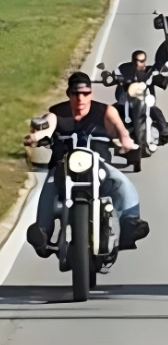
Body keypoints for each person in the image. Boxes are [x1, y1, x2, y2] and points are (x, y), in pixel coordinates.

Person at [23, 72, 150, 258]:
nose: (80, 98)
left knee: (121, 182)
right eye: (76, 93)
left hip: (99, 165)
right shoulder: (57, 113)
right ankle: (42, 233)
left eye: (85, 93)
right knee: (48, 188)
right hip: (63, 168)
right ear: (69, 94)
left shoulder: (105, 111)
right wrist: (36, 136)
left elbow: (120, 130)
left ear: (91, 93)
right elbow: (47, 127)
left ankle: (130, 222)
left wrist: (126, 142)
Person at [112, 50, 168, 145]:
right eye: (138, 60)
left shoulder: (150, 71)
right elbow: (116, 74)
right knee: (111, 111)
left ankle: (165, 134)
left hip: (145, 101)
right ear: (133, 60)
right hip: (128, 101)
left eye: (142, 60)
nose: (140, 63)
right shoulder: (125, 69)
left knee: (156, 111)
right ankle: (107, 135)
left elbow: (160, 80)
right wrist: (111, 78)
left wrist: (165, 74)